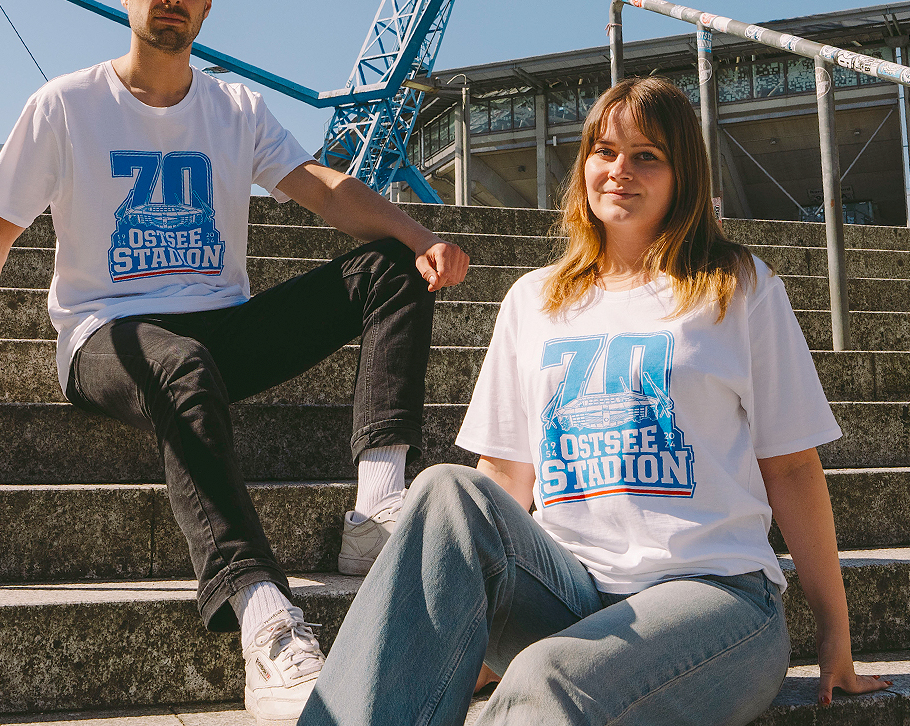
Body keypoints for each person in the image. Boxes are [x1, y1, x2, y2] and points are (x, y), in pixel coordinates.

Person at [0, 0, 469, 725]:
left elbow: (321, 186)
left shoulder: (234, 106)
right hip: (106, 338)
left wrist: (421, 237)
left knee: (391, 266)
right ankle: (263, 615)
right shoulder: (65, 104)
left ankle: (377, 506)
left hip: (218, 333)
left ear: (207, 4)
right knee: (178, 363)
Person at [297, 76, 891, 726]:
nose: (618, 170)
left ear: (682, 173)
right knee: (445, 492)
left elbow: (792, 466)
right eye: (604, 151)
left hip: (713, 601)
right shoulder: (534, 299)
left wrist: (835, 633)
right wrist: (461, 628)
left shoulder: (738, 288)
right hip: (569, 592)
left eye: (647, 156)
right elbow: (502, 479)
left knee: (549, 677)